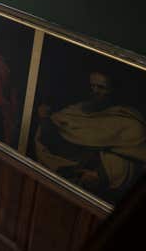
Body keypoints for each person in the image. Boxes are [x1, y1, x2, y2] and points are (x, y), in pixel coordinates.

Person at [34, 71, 146, 203]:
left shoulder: (129, 123)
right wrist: (45, 119)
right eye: (92, 86)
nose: (95, 91)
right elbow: (51, 137)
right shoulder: (75, 111)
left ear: (112, 90)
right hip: (59, 178)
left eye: (101, 87)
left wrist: (102, 175)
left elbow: (132, 163)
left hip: (95, 191)